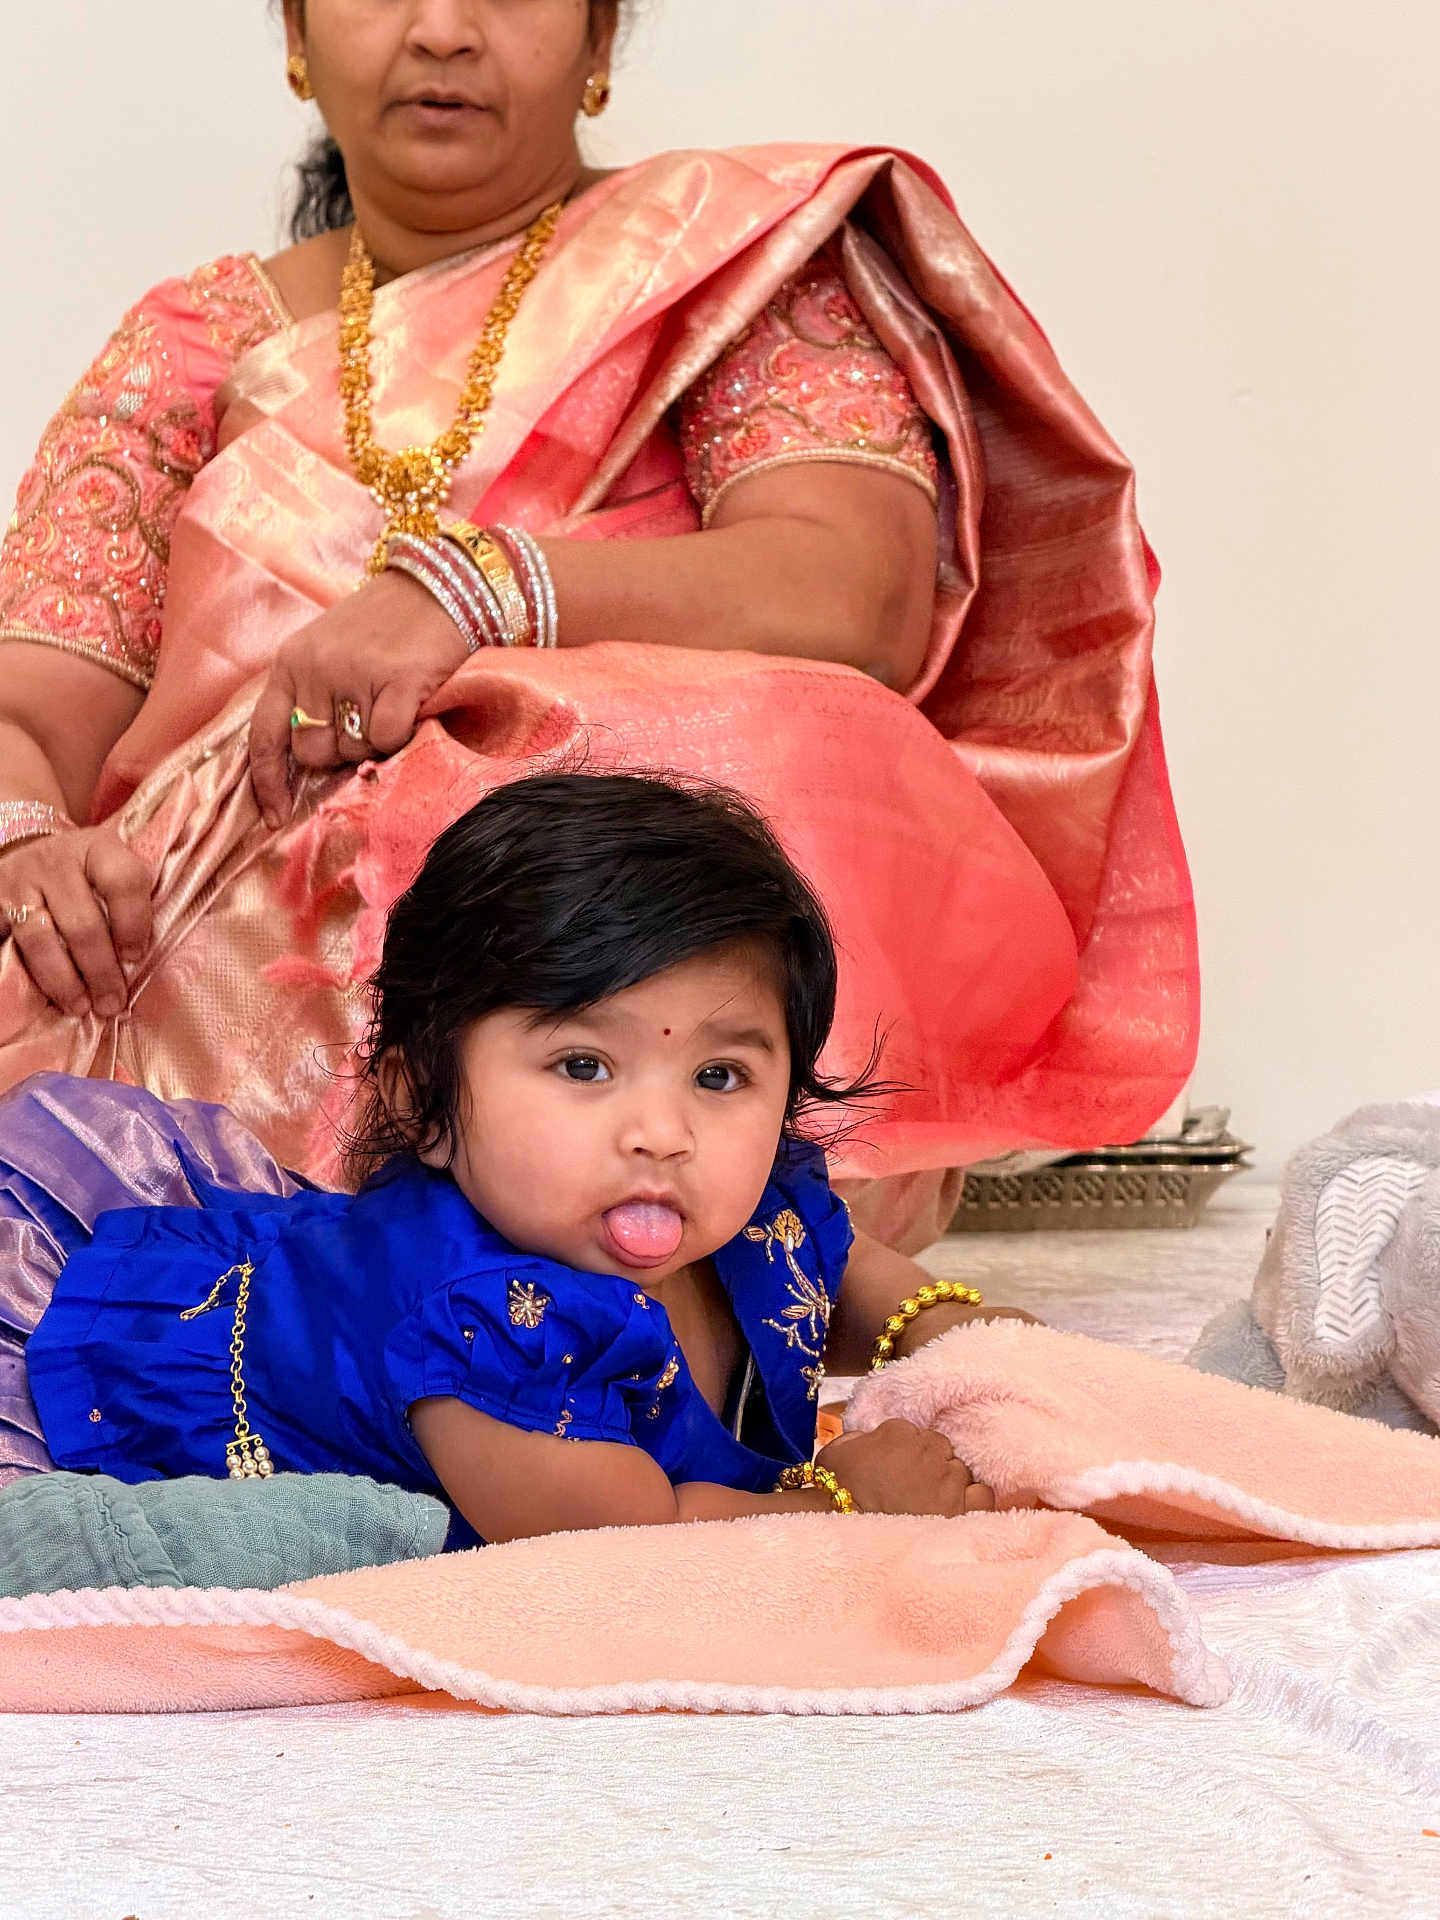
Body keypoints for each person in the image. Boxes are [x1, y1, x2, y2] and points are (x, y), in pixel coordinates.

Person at [0, 0, 1197, 1251]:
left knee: (803, 729)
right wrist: (26, 844)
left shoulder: (721, 274)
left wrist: (483, 596)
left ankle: (691, 1228)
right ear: (296, 34)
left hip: (617, 928)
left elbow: (859, 597)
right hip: (229, 962)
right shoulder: (189, 348)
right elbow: (33, 706)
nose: (444, 29)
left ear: (601, 42)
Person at [0, 774, 1032, 1543]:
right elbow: (624, 1549)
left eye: (720, 1078)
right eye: (584, 1065)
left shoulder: (750, 1204)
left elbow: (842, 1270)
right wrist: (843, 1504)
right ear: (425, 1105)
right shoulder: (477, 1334)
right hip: (138, 1367)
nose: (662, 1132)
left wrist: (954, 1333)